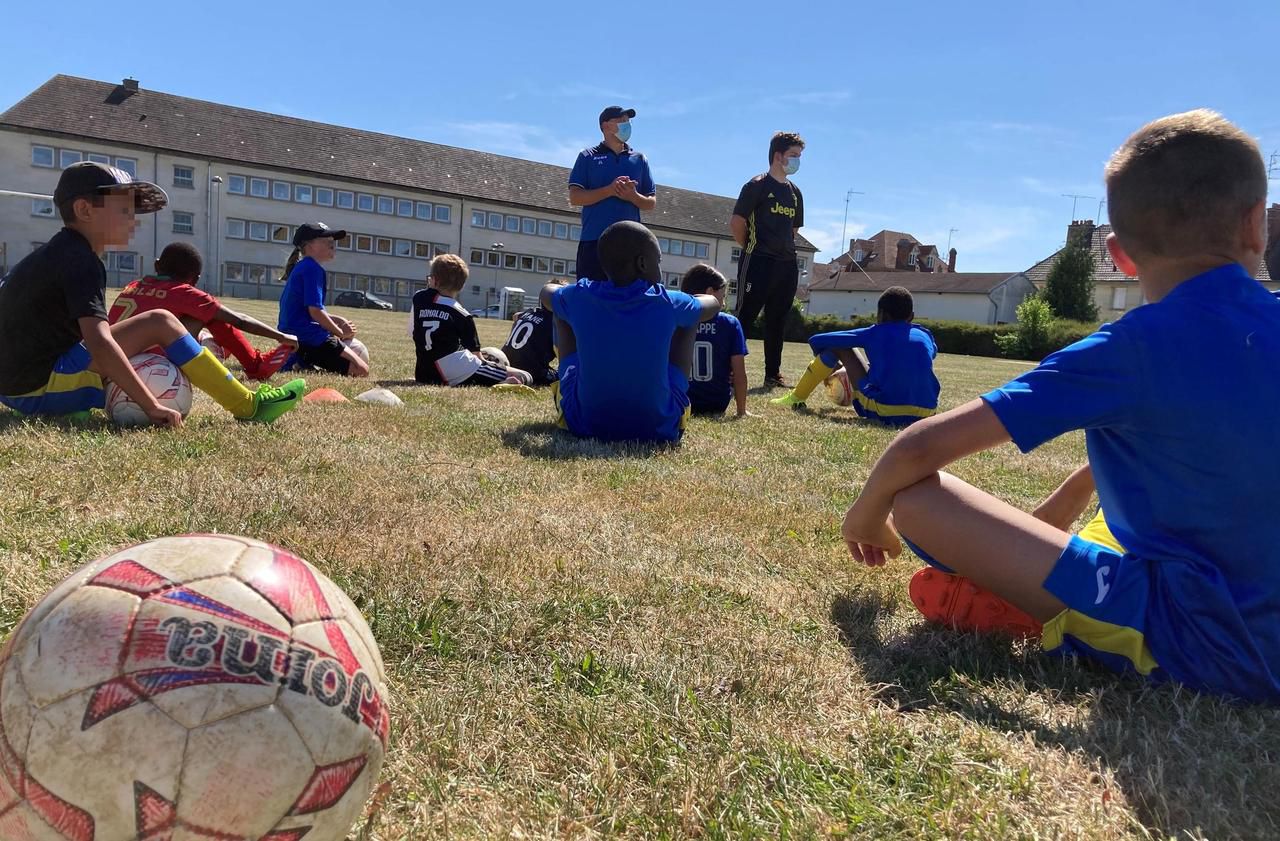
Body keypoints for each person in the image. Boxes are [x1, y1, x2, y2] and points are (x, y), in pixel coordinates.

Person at [840, 110, 1280, 702]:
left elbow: (918, 449)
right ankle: (1053, 564)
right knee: (1123, 505)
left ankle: (1040, 611)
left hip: (1208, 642)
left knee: (918, 500)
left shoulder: (1129, 348)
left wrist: (865, 517)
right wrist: (1067, 499)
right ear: (1257, 225)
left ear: (1120, 255)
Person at [0, 161, 303, 425]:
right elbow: (100, 342)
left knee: (145, 329)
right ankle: (248, 406)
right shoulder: (81, 261)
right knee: (159, 321)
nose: (134, 220)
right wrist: (150, 404)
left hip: (15, 387)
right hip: (35, 389)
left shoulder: (54, 254)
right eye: (124, 210)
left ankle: (71, 406)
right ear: (83, 210)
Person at [541, 221, 719, 443]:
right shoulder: (669, 302)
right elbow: (713, 304)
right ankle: (672, 401)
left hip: (584, 422)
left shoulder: (580, 295)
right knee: (691, 316)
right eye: (659, 261)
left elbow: (546, 293)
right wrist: (694, 301)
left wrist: (562, 295)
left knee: (561, 307)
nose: (660, 269)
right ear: (642, 263)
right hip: (659, 428)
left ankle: (572, 387)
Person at [108, 243, 296, 380]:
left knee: (201, 315)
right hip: (153, 364)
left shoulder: (133, 286)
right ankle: (255, 365)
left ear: (157, 265)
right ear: (195, 279)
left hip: (110, 360)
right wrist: (281, 336)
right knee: (211, 314)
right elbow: (240, 320)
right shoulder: (184, 292)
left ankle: (218, 347)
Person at [770, 286, 939, 425]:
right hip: (927, 413)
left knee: (839, 347)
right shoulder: (926, 335)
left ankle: (796, 398)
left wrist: (832, 366)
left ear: (881, 315)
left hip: (886, 409)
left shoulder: (874, 332)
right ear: (912, 317)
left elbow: (817, 340)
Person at [731, 131, 805, 389]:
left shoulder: (795, 193)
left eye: (799, 156)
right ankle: (728, 372)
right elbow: (737, 223)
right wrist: (752, 247)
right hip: (758, 261)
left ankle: (772, 374)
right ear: (777, 156)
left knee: (777, 319)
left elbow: (793, 230)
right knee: (745, 316)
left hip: (786, 265)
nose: (797, 161)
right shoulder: (756, 186)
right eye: (793, 156)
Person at [409, 254, 532, 387]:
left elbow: (412, 332)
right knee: (526, 376)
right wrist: (491, 364)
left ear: (434, 281)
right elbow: (477, 357)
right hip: (455, 371)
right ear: (461, 286)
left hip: (424, 372)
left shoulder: (419, 298)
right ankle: (503, 382)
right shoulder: (461, 313)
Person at [568, 106, 656, 282]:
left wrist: (632, 196)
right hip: (594, 241)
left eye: (628, 122)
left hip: (631, 244)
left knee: (629, 300)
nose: (627, 126)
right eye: (621, 121)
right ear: (606, 126)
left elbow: (650, 203)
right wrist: (609, 190)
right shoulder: (587, 157)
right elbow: (575, 197)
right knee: (591, 299)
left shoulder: (639, 159)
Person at [278, 223, 369, 377]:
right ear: (309, 245)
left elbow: (307, 311)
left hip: (295, 335)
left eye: (332, 239)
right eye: (325, 239)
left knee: (352, 362)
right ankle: (303, 357)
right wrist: (341, 333)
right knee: (361, 370)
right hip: (308, 337)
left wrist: (337, 319)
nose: (332, 241)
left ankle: (301, 359)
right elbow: (315, 312)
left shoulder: (303, 266)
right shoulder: (313, 269)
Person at [679, 265, 750, 418]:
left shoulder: (676, 320)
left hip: (680, 401)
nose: (724, 303)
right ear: (710, 293)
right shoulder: (730, 323)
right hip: (716, 402)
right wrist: (741, 411)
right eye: (723, 296)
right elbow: (739, 373)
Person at [500, 299, 558, 387]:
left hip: (507, 365)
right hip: (531, 371)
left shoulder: (529, 312)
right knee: (567, 375)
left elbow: (516, 315)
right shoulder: (556, 322)